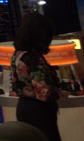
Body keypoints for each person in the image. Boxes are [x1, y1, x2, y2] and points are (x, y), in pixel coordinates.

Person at [10, 12, 65, 141]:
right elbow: (43, 93)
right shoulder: (32, 58)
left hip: (24, 107)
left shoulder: (17, 53)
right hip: (40, 113)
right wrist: (59, 93)